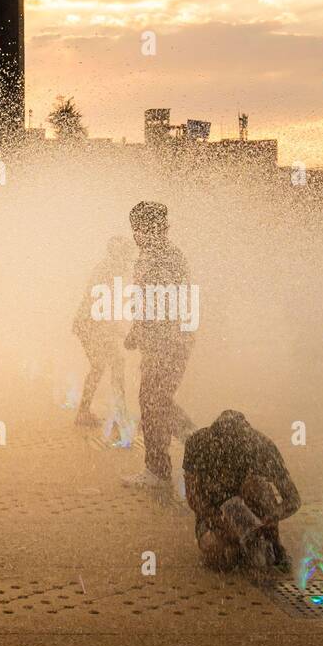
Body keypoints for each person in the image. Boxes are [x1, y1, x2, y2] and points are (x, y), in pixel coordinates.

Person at [121, 201, 195, 492]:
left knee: (152, 403)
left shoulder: (159, 257)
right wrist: (137, 330)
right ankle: (198, 442)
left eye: (137, 229)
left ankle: (158, 469)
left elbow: (158, 302)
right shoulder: (161, 254)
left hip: (165, 343)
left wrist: (142, 330)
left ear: (147, 228)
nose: (135, 235)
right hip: (166, 341)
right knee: (158, 401)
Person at [183, 411, 300, 574]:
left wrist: (272, 516)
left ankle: (273, 544)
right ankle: (241, 546)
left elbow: (293, 499)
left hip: (252, 510)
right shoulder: (198, 444)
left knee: (256, 485)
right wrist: (218, 521)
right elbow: (193, 496)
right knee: (220, 556)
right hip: (215, 513)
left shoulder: (261, 446)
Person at [72, 235, 132, 430]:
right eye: (126, 255)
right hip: (89, 324)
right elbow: (98, 305)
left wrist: (116, 329)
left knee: (105, 365)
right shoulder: (107, 271)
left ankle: (94, 412)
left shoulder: (109, 270)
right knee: (107, 364)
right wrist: (115, 329)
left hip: (90, 323)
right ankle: (117, 414)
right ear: (118, 255)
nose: (128, 261)